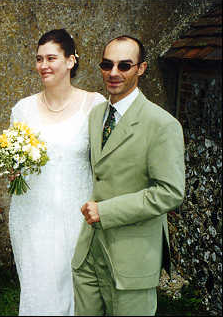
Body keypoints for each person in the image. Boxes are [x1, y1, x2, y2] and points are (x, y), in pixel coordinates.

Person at [71, 35, 186, 315]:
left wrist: (107, 211)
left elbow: (170, 192)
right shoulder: (97, 114)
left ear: (141, 68)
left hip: (131, 257)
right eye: (107, 64)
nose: (113, 73)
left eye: (124, 65)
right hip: (89, 252)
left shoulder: (162, 124)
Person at [8, 29, 106, 316]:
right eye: (39, 59)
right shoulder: (23, 109)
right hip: (33, 213)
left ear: (71, 61)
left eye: (51, 58)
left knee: (76, 289)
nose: (43, 65)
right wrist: (13, 168)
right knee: (40, 289)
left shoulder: (95, 105)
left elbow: (106, 161)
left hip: (78, 212)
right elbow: (15, 158)